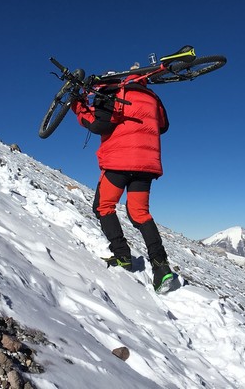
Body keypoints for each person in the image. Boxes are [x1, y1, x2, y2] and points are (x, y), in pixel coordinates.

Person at [71, 69, 175, 293]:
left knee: (104, 207)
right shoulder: (153, 97)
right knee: (140, 214)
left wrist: (78, 108)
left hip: (119, 162)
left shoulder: (114, 92)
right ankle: (161, 266)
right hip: (147, 164)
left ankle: (122, 256)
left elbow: (100, 125)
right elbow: (163, 126)